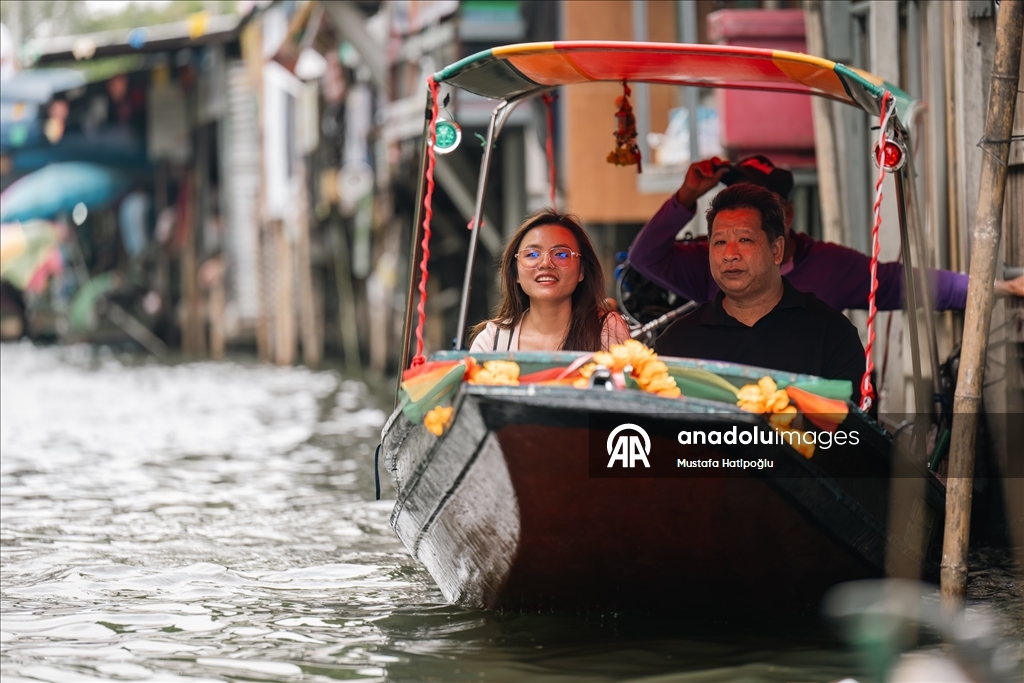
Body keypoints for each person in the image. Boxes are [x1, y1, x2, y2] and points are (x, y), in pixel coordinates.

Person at [630, 155, 1024, 311]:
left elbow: (906, 284)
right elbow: (645, 256)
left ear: (784, 214)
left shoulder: (830, 267)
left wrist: (1001, 288)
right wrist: (687, 196)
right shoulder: (712, 261)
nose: (733, 249)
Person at [654, 184, 866, 401]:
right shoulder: (677, 342)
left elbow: (855, 431)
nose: (730, 255)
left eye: (745, 240)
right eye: (719, 242)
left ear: (776, 250)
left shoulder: (831, 334)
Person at [470, 209, 631, 352]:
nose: (546, 263)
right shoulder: (492, 342)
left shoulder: (606, 329)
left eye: (561, 254)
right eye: (532, 254)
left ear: (581, 271)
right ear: (516, 273)